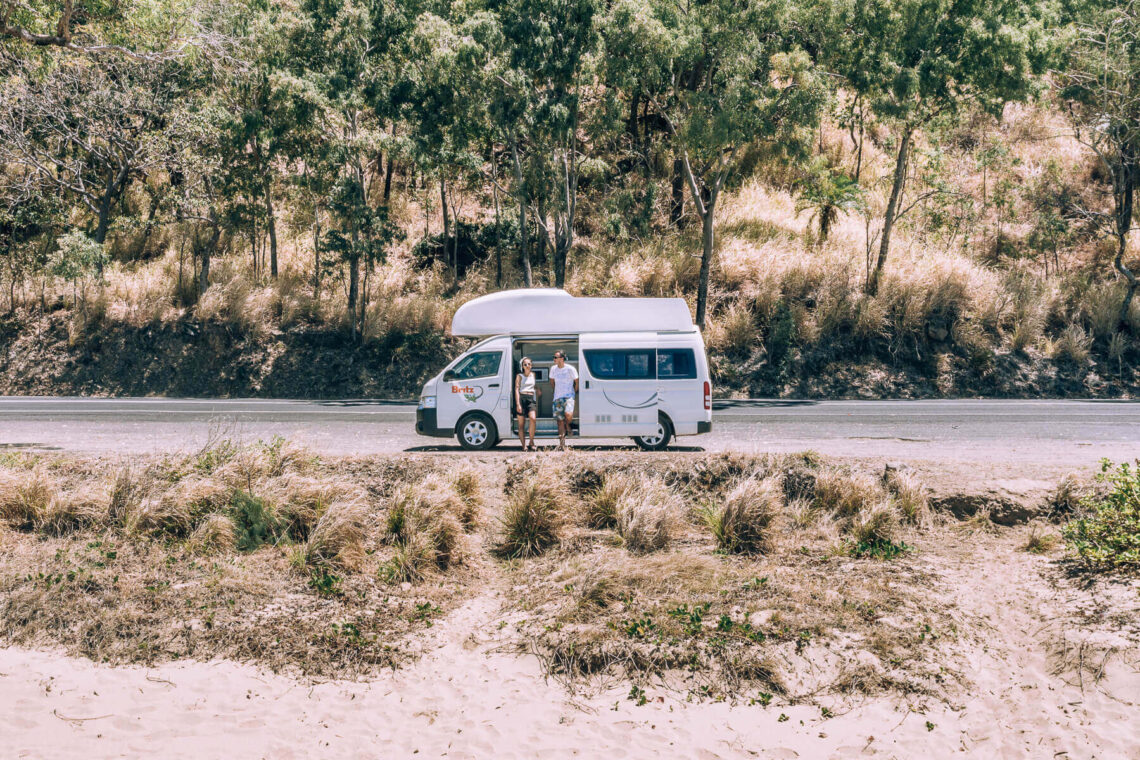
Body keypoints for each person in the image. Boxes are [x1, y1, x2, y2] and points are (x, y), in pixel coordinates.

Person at [549, 350, 578, 451]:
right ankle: (562, 445)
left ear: (562, 358)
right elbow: (552, 382)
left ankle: (568, 425)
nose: (554, 359)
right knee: (559, 421)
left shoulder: (570, 369)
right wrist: (556, 391)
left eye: (555, 357)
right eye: (554, 357)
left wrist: (574, 392)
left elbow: (576, 381)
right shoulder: (553, 369)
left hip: (569, 396)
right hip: (557, 397)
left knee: (568, 415)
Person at [514, 356, 540, 451]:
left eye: (529, 364)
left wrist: (537, 389)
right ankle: (523, 445)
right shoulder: (519, 376)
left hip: (531, 399)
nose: (527, 365)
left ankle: (531, 441)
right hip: (521, 398)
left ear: (531, 365)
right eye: (525, 364)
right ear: (522, 366)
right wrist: (518, 404)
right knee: (521, 424)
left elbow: (533, 384)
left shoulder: (533, 375)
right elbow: (516, 389)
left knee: (533, 419)